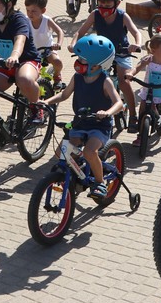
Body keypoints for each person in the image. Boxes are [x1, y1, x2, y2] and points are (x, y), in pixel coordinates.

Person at [40, 35, 123, 200]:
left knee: (90, 151)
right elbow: (64, 94)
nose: (78, 62)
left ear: (96, 64)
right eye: (78, 58)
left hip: (100, 125)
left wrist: (107, 112)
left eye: (82, 60)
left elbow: (119, 103)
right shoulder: (77, 77)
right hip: (81, 122)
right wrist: (46, 102)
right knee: (62, 153)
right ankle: (78, 173)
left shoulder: (105, 81)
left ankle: (99, 182)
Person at [71, 0, 142, 125]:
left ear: (118, 2)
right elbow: (80, 32)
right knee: (93, 79)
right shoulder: (95, 14)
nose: (103, 8)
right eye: (100, 4)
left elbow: (136, 32)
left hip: (122, 52)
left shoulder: (123, 16)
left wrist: (137, 44)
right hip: (102, 53)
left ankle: (133, 115)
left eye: (108, 5)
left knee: (124, 82)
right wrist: (73, 44)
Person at [128, 33, 161, 146]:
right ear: (153, 50)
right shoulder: (148, 60)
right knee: (142, 113)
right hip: (148, 92)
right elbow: (138, 67)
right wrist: (131, 74)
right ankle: (141, 136)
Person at [24, 0, 65, 89]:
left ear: (43, 10)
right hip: (32, 51)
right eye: (28, 10)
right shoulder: (25, 20)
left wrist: (58, 43)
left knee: (58, 62)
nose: (30, 14)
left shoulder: (46, 20)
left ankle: (57, 77)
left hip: (48, 49)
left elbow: (60, 32)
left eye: (33, 11)